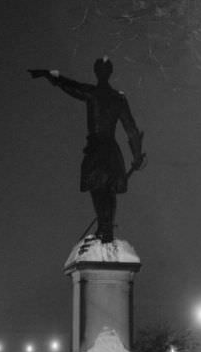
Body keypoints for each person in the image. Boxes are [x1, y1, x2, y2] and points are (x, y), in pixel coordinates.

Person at [29, 58, 145, 243]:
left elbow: (70, 86)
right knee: (108, 191)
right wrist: (137, 155)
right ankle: (105, 228)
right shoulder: (118, 99)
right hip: (111, 150)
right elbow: (131, 129)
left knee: (99, 189)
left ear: (96, 72)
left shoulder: (93, 93)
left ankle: (105, 228)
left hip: (97, 149)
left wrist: (51, 76)